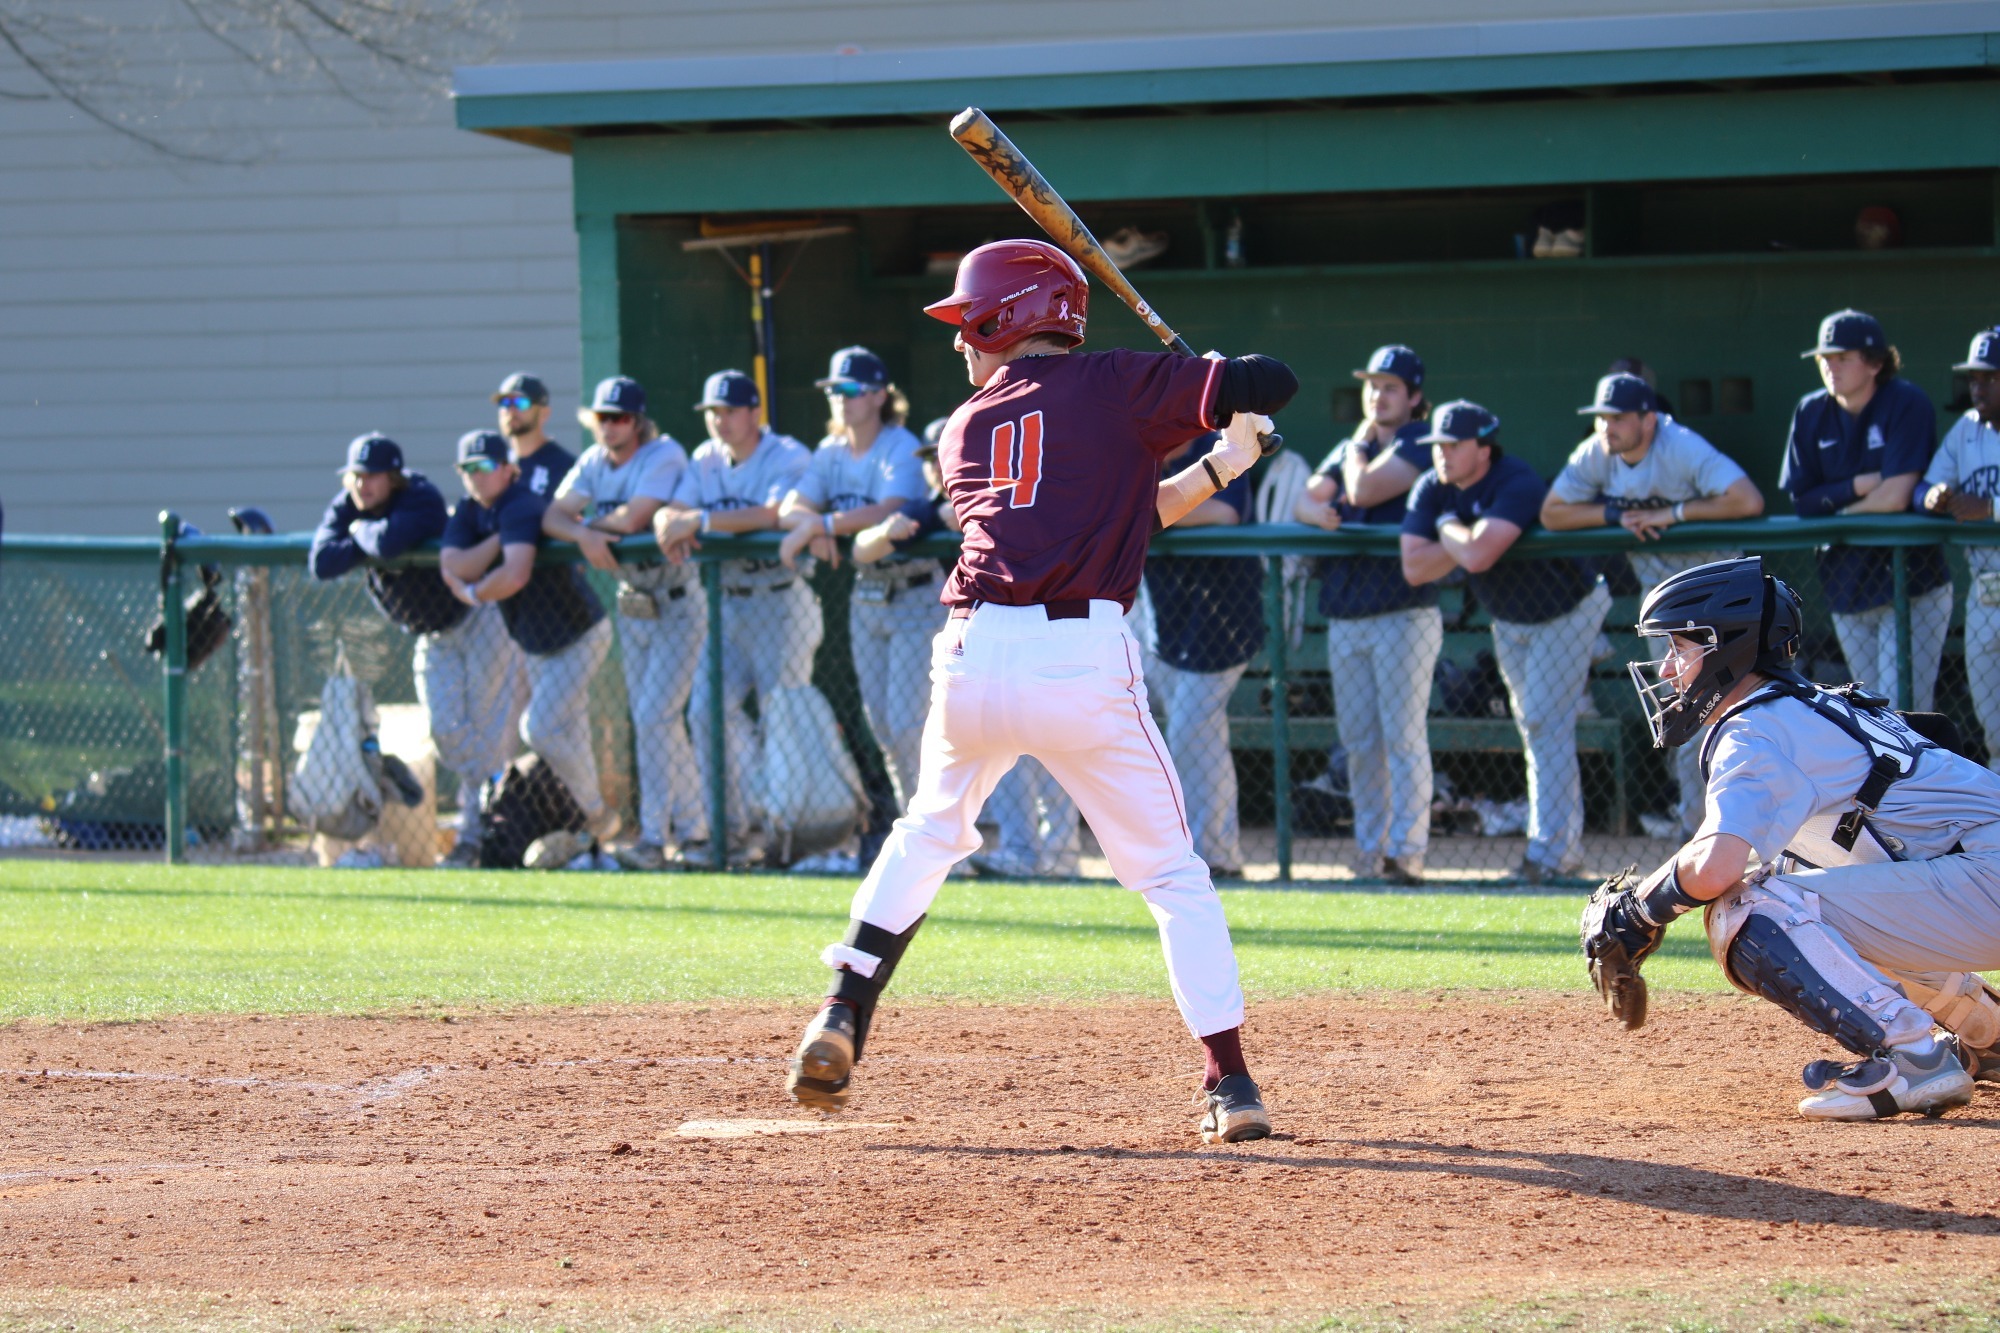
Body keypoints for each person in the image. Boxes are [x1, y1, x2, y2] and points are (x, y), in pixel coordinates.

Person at [784, 238, 1299, 1143]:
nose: (961, 344)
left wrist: (1217, 454)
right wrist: (1214, 388)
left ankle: (842, 1010)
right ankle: (1231, 1081)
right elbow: (1277, 377)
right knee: (1174, 876)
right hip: (1081, 655)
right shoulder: (1115, 382)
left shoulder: (966, 425)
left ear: (1010, 319)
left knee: (928, 830)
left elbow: (1121, 503)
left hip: (973, 654)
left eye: (971, 323)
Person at [1584, 556, 2000, 1119]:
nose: (1666, 671)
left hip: (1985, 875)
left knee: (1747, 908)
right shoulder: (1812, 707)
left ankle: (1913, 1059)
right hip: (1980, 871)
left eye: (1680, 649)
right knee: (1796, 886)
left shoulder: (1755, 728)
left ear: (1726, 649)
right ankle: (1988, 1033)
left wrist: (1640, 911)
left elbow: (1715, 868)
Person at [1541, 372, 1765, 835]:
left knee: (1740, 712)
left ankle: (1750, 828)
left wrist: (1675, 513)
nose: (1608, 427)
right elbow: (1552, 512)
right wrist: (1612, 514)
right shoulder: (1599, 452)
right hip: (1665, 608)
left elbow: (1747, 499)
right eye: (1603, 418)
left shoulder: (1679, 445)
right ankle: (1697, 830)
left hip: (1719, 598)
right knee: (1682, 718)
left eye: (1619, 417)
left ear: (1648, 418)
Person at [1400, 400, 1609, 885]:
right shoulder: (1432, 486)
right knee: (1536, 726)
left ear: (1484, 447)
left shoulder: (1516, 479)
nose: (1443, 456)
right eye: (1438, 446)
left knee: (1543, 721)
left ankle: (1553, 854)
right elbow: (1414, 567)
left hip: (1568, 609)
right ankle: (1556, 850)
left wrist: (1448, 529)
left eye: (1454, 445)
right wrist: (1463, 537)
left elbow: (1474, 555)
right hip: (1509, 618)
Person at [309, 432, 523, 867]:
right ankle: (488, 814)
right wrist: (362, 530)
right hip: (432, 632)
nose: (362, 486)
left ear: (394, 478)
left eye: (373, 477)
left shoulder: (420, 496)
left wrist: (357, 534)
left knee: (485, 728)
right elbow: (321, 562)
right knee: (448, 734)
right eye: (356, 476)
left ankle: (479, 837)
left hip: (478, 614)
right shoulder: (349, 503)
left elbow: (388, 543)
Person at [652, 370, 815, 866]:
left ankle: (789, 836)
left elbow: (774, 514)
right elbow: (669, 511)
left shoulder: (786, 454)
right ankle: (733, 831)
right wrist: (667, 523)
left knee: (781, 719)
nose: (719, 420)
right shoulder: (704, 458)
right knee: (705, 713)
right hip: (726, 603)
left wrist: (698, 521)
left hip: (780, 601)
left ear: (753, 412)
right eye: (712, 412)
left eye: (727, 410)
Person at [541, 376, 699, 871]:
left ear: (638, 421)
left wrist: (584, 532)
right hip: (634, 600)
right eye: (602, 418)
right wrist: (584, 535)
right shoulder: (592, 460)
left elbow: (635, 518)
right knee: (657, 720)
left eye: (620, 418)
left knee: (655, 716)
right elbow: (552, 516)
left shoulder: (663, 452)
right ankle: (696, 830)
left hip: (676, 596)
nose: (609, 427)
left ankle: (655, 837)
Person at [1295, 343, 1439, 885]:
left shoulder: (1422, 440)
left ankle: (1407, 853)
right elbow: (1305, 500)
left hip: (1405, 611)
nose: (1377, 395)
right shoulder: (1354, 443)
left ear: (1415, 397)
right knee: (1359, 743)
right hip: (1348, 611)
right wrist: (1319, 514)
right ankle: (1370, 850)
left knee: (1402, 739)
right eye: (1372, 385)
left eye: (1390, 387)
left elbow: (1365, 487)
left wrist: (1352, 454)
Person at [439, 429, 616, 867]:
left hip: (577, 633)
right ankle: (588, 841)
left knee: (539, 729)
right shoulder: (469, 511)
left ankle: (596, 814)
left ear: (508, 469)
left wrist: (477, 591)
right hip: (536, 642)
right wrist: (495, 543)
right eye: (468, 469)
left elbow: (514, 574)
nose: (476, 477)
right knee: (566, 732)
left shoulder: (519, 503)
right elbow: (451, 565)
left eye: (485, 467)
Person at [777, 347, 930, 809]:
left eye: (852, 390)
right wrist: (813, 523)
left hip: (915, 592)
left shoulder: (899, 444)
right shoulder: (830, 450)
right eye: (833, 390)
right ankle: (916, 825)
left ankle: (942, 828)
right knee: (882, 726)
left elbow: (890, 508)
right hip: (867, 595)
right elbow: (790, 508)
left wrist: (823, 526)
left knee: (908, 726)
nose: (841, 399)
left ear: (881, 395)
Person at [1780, 309, 1949, 710]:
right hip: (1845, 584)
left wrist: (1836, 512)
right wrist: (1860, 484)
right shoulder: (1810, 411)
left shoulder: (1905, 401)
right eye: (1824, 358)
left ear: (1875, 363)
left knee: (1906, 714)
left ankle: (1925, 777)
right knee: (1872, 715)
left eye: (1842, 357)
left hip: (1911, 585)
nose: (1830, 366)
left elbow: (1895, 496)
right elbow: (1802, 502)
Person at [1141, 430, 1264, 877]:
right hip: (1168, 622)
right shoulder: (1142, 454)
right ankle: (1211, 851)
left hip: (1223, 620)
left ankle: (1214, 854)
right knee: (1197, 738)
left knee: (1193, 733)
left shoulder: (1220, 447)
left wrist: (1155, 509)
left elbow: (1226, 511)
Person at [1923, 327, 2000, 769]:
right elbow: (1931, 484)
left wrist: (1991, 507)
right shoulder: (1966, 430)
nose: (1979, 386)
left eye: (1990, 377)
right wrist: (1932, 496)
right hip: (1985, 589)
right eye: (1974, 377)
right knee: (1993, 725)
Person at [494, 372, 574, 501]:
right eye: (505, 403)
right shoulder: (497, 465)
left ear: (544, 413)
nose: (511, 410)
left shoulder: (564, 466)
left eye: (521, 402)